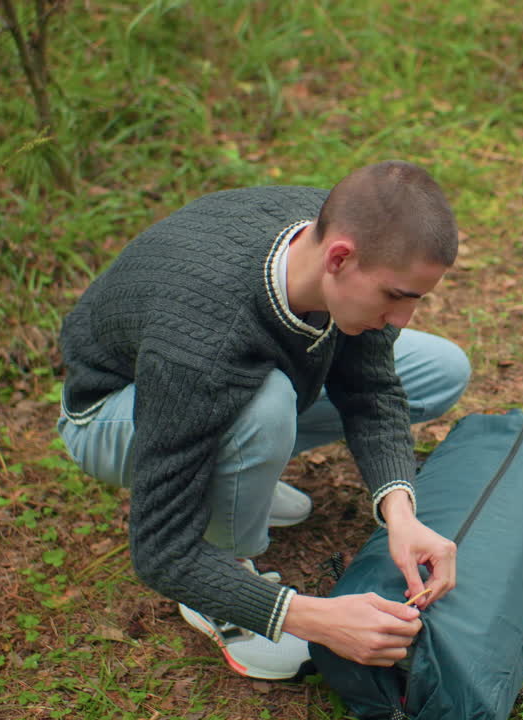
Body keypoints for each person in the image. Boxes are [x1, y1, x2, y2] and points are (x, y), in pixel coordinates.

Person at [54, 161, 469, 680]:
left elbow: (371, 390)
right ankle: (225, 589)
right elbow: (160, 551)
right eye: (395, 297)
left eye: (415, 299)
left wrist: (400, 513)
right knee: (264, 406)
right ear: (339, 258)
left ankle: (236, 474)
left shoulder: (349, 232)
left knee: (440, 368)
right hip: (110, 413)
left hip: (217, 378)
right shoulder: (202, 347)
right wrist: (312, 617)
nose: (403, 319)